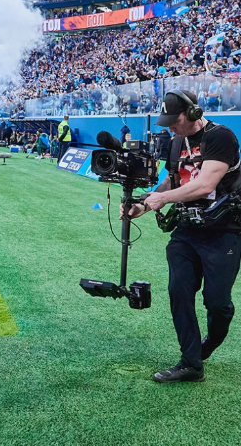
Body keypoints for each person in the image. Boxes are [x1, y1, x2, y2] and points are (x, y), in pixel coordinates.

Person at [123, 90, 241, 383]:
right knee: (179, 292)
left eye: (174, 122)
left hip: (223, 232)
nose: (171, 128)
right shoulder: (176, 141)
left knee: (218, 303)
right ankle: (191, 362)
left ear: (192, 114)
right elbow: (171, 180)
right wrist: (143, 205)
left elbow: (205, 185)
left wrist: (163, 199)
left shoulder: (220, 137)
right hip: (186, 231)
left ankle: (208, 344)